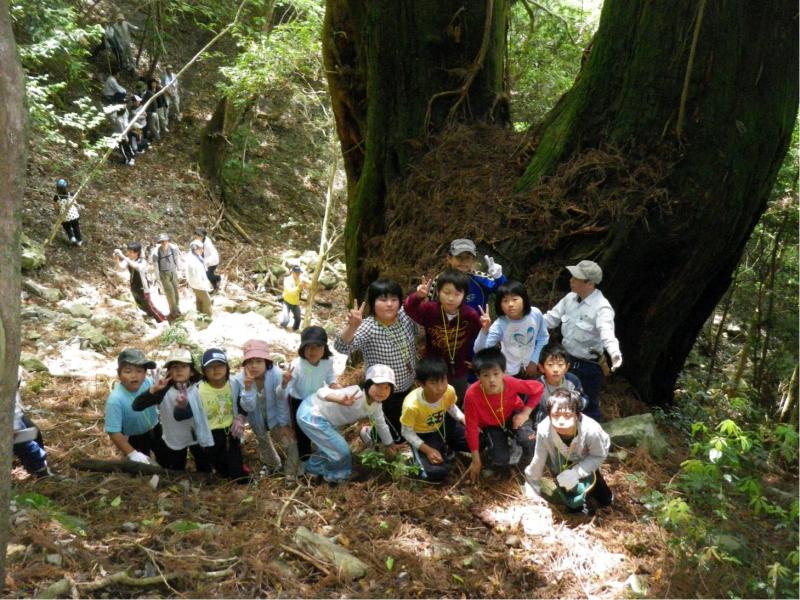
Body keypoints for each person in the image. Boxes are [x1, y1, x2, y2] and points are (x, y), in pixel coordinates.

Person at [334, 279, 419, 443]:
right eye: (383, 299)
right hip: (383, 389)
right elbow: (341, 347)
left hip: (407, 383)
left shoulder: (404, 316)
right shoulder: (369, 326)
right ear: (372, 303)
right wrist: (352, 326)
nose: (389, 304)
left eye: (394, 299)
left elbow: (418, 327)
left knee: (402, 420)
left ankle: (377, 436)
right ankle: (368, 435)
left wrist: (420, 297)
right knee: (391, 428)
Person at [543, 260, 622, 421]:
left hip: (588, 367)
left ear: (590, 283)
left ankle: (593, 442)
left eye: (577, 278)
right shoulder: (570, 299)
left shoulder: (602, 308)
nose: (571, 280)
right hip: (566, 361)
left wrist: (614, 353)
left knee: (588, 406)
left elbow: (607, 333)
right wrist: (528, 322)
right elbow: (551, 319)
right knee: (561, 401)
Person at [296, 365, 401, 483]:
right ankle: (336, 478)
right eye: (377, 385)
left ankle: (312, 471)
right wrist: (339, 399)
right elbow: (321, 391)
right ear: (368, 384)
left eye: (387, 387)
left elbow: (381, 424)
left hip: (327, 419)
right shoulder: (355, 394)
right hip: (312, 413)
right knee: (342, 451)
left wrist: (390, 444)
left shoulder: (376, 405)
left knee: (329, 446)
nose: (382, 391)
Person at [524, 388, 612, 515]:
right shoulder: (544, 429)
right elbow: (539, 459)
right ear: (549, 415)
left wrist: (576, 472)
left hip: (587, 456)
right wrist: (533, 484)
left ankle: (606, 501)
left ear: (577, 415)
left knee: (594, 481)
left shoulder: (591, 430)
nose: (561, 421)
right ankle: (577, 509)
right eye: (555, 415)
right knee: (565, 482)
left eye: (567, 416)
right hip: (561, 456)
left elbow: (598, 455)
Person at [173, 348, 254, 482]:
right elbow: (180, 416)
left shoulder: (234, 384)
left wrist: (240, 417)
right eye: (210, 366)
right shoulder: (197, 391)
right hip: (210, 434)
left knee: (236, 470)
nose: (216, 370)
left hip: (231, 431)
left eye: (220, 365)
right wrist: (181, 406)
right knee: (220, 466)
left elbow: (243, 403)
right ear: (204, 370)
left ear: (227, 367)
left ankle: (240, 475)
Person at [464, 347, 543, 482]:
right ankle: (498, 462)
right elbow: (471, 428)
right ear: (478, 376)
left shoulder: (510, 382)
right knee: (500, 460)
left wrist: (525, 413)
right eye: (486, 375)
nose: (492, 380)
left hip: (513, 414)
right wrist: (475, 460)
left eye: (496, 373)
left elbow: (538, 388)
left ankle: (523, 469)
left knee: (528, 439)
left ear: (504, 372)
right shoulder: (471, 395)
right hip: (491, 424)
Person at [404, 269, 482, 403]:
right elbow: (409, 308)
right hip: (433, 367)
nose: (451, 298)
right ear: (438, 291)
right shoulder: (430, 309)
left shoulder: (470, 315)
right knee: (431, 401)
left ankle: (453, 423)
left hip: (458, 370)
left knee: (455, 400)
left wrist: (475, 360)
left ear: (464, 295)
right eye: (446, 292)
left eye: (457, 294)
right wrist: (418, 296)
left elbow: (478, 338)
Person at [131, 349, 211, 472]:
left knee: (204, 467)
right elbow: (137, 406)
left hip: (198, 436)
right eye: (175, 367)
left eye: (184, 366)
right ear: (169, 372)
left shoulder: (200, 387)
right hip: (175, 438)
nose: (179, 370)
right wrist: (153, 390)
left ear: (191, 372)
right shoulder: (163, 391)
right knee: (176, 470)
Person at [234, 339, 300, 483]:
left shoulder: (276, 374)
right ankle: (272, 464)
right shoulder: (240, 379)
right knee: (263, 442)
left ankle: (291, 472)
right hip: (256, 419)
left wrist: (283, 424)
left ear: (266, 362)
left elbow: (281, 400)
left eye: (258, 361)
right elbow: (247, 407)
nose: (254, 366)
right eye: (250, 362)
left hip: (276, 417)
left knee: (291, 442)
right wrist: (247, 388)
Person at [400, 357, 468, 482]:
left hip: (443, 425)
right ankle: (412, 460)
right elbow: (406, 432)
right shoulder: (412, 406)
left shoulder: (449, 390)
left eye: (443, 380)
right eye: (433, 383)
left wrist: (463, 419)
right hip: (423, 434)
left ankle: (447, 448)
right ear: (420, 384)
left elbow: (451, 407)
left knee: (479, 440)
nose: (441, 387)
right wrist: (428, 450)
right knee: (437, 472)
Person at [104, 349, 169, 465]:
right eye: (128, 371)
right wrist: (132, 453)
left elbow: (159, 402)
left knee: (166, 458)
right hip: (134, 437)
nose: (134, 376)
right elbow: (113, 431)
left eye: (139, 371)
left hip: (155, 429)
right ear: (119, 374)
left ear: (145, 373)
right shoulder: (115, 400)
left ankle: (166, 473)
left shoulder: (148, 383)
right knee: (143, 465)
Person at [473, 281, 549, 378]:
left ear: (524, 299)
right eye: (505, 301)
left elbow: (543, 337)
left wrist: (534, 360)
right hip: (509, 371)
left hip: (532, 366)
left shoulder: (535, 314)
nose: (510, 304)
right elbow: (480, 351)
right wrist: (484, 330)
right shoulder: (500, 324)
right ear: (500, 304)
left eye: (515, 299)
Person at [284, 326, 337, 461]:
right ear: (302, 348)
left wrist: (333, 384)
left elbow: (330, 375)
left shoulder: (327, 362)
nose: (312, 350)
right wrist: (284, 383)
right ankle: (304, 461)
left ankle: (320, 456)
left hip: (316, 401)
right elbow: (285, 390)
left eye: (317, 346)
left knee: (318, 426)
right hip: (298, 401)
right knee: (301, 432)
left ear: (324, 347)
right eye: (308, 346)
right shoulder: (297, 365)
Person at [428, 239, 506, 311]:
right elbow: (429, 308)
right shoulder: (440, 280)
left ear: (473, 260)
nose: (463, 261)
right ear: (449, 259)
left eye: (468, 257)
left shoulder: (481, 279)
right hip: (446, 325)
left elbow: (506, 293)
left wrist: (499, 277)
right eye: (459, 257)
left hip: (478, 325)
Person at [534, 342, 588, 423]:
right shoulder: (536, 387)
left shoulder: (573, 380)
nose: (555, 369)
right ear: (541, 368)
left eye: (560, 364)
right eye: (550, 364)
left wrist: (576, 405)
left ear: (567, 367)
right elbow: (533, 412)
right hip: (546, 423)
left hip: (570, 420)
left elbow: (584, 399)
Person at [114, 243, 167, 323]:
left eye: (131, 252)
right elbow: (120, 269)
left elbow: (136, 267)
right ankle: (154, 320)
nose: (128, 253)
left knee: (150, 307)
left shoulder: (142, 261)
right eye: (128, 251)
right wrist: (116, 259)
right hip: (134, 287)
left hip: (143, 288)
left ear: (137, 253)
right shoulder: (128, 259)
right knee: (141, 306)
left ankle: (162, 320)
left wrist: (123, 256)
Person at [13, 380, 54, 478]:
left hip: (13, 410)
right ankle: (40, 470)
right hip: (7, 415)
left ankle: (41, 465)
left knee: (34, 432)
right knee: (22, 440)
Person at [150, 233, 182, 321]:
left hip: (173, 272)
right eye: (162, 242)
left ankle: (177, 308)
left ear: (168, 241)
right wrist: (158, 279)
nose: (164, 243)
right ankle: (173, 312)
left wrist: (179, 269)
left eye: (165, 241)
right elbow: (156, 267)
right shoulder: (156, 253)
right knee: (170, 293)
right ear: (160, 242)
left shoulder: (173, 248)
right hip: (164, 274)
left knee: (175, 291)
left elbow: (176, 259)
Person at [186, 240, 213, 317]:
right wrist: (202, 285)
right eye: (200, 248)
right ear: (195, 249)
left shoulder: (196, 256)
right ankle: (208, 317)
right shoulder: (192, 260)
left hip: (198, 283)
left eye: (202, 248)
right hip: (197, 284)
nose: (202, 250)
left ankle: (200, 315)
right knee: (207, 301)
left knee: (199, 300)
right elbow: (195, 275)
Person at [53, 178, 83, 247]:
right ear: (66, 187)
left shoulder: (56, 197)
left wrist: (58, 213)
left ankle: (72, 237)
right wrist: (78, 206)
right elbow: (75, 203)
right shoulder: (71, 194)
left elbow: (56, 207)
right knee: (76, 228)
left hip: (64, 217)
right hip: (74, 216)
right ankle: (79, 241)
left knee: (67, 228)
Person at [279, 265, 307, 331]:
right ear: (293, 272)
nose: (298, 274)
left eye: (299, 272)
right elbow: (290, 292)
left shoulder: (300, 279)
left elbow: (307, 285)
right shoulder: (287, 280)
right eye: (297, 272)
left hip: (295, 303)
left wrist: (304, 286)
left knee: (298, 319)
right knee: (286, 320)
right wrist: (299, 287)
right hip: (287, 302)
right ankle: (281, 329)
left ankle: (295, 330)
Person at [193, 227, 220, 292]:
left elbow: (213, 255)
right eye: (196, 234)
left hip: (213, 261)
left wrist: (205, 262)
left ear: (203, 236)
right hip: (205, 260)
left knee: (208, 275)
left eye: (199, 235)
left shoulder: (208, 244)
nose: (197, 236)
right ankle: (215, 287)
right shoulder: (199, 240)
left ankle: (218, 278)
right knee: (208, 275)